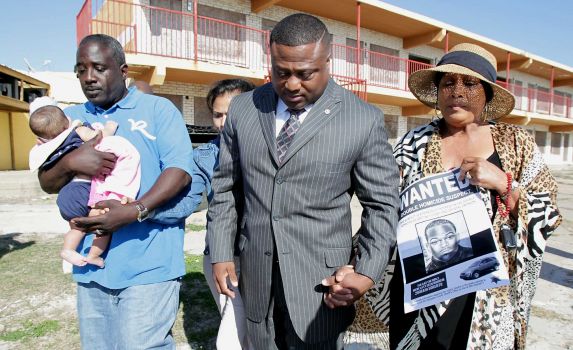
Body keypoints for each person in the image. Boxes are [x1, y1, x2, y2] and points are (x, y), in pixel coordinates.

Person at [348, 43, 561, 350]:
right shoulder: (415, 143)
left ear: (487, 93)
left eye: (469, 83)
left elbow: (549, 213)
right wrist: (359, 261)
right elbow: (382, 208)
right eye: (447, 83)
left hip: (483, 296)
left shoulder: (517, 143)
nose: (456, 91)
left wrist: (503, 182)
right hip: (419, 287)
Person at [207, 13, 399, 349]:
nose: (292, 84)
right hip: (255, 276)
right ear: (271, 59)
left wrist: (365, 272)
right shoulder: (244, 109)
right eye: (282, 73)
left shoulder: (362, 120)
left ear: (328, 61)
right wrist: (221, 251)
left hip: (319, 289)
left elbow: (382, 206)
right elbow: (226, 187)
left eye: (305, 74)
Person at [37, 34, 194, 349]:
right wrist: (70, 162)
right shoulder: (72, 119)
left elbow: (179, 172)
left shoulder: (157, 110)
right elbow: (47, 181)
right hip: (91, 268)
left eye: (98, 67)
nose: (89, 77)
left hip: (150, 264)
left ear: (123, 71)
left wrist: (133, 211)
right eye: (81, 69)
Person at [29, 104, 140, 268]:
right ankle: (94, 255)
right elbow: (99, 138)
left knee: (77, 228)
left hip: (67, 194)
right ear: (67, 121)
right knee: (101, 224)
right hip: (83, 189)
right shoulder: (77, 130)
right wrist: (109, 127)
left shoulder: (45, 147)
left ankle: (68, 249)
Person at [195, 78, 255, 349]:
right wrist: (142, 208)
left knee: (252, 332)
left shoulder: (274, 152)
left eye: (230, 114)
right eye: (217, 115)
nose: (222, 122)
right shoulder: (206, 155)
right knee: (233, 326)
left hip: (260, 255)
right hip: (221, 256)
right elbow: (188, 198)